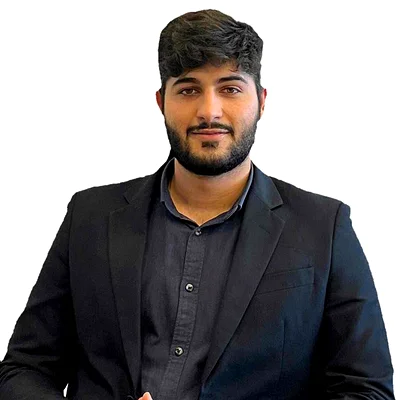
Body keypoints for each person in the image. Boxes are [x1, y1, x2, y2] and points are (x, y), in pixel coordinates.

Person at [0, 8, 394, 400]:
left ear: (261, 101)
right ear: (161, 102)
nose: (209, 111)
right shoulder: (90, 216)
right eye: (188, 89)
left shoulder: (323, 227)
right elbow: (24, 369)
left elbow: (366, 390)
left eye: (230, 88)